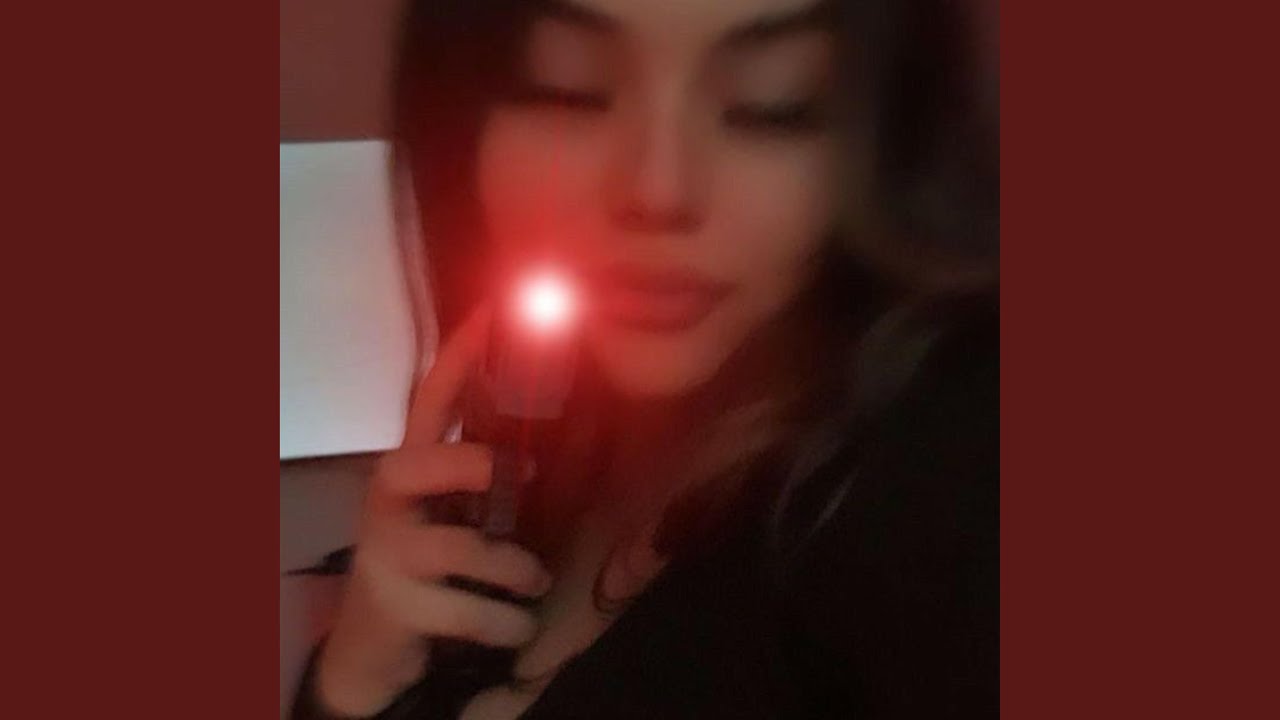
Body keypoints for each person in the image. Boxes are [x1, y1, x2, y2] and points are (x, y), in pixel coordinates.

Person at [291, 0, 998, 717]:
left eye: (773, 103)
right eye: (569, 90)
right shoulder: (541, 453)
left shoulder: (948, 480)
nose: (659, 191)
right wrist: (349, 684)